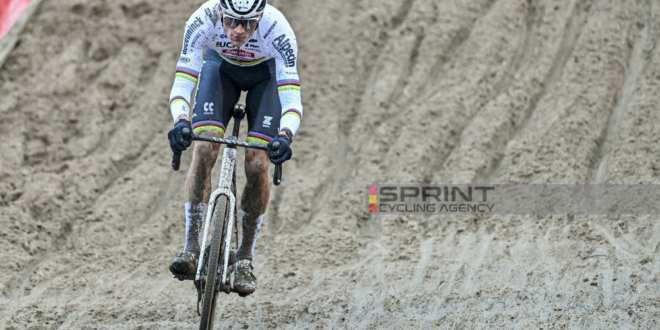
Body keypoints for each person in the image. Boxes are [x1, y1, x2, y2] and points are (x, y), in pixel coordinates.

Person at [166, 0, 303, 295]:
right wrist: (180, 120)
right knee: (203, 149)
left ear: (261, 18)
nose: (238, 30)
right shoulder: (201, 20)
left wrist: (285, 135)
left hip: (264, 78)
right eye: (230, 22)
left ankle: (244, 258)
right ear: (219, 14)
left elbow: (291, 98)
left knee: (257, 163)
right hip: (221, 70)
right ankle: (191, 246)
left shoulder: (278, 30)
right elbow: (183, 79)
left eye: (248, 23)